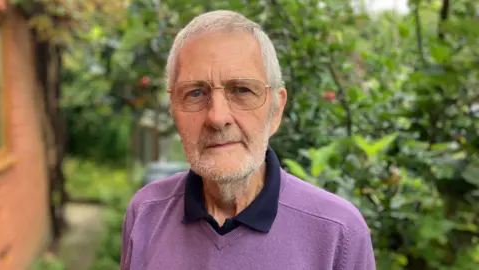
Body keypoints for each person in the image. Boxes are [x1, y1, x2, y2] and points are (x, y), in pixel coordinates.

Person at [120, 10, 375, 270]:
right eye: (195, 93)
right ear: (174, 110)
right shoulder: (145, 214)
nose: (218, 117)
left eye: (241, 90)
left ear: (276, 110)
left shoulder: (338, 233)